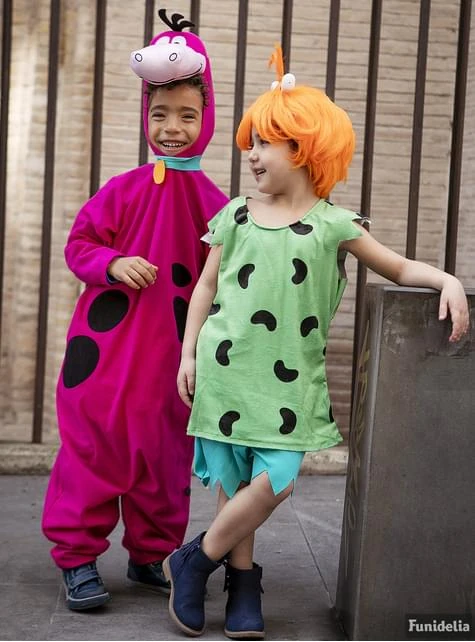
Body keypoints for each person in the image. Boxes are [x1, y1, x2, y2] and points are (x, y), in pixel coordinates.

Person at [163, 45, 470, 639]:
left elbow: (398, 266)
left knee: (276, 479)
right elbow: (205, 288)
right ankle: (242, 583)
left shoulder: (335, 224)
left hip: (289, 382)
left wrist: (446, 279)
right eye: (250, 143)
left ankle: (194, 561)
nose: (251, 154)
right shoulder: (236, 216)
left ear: (304, 149)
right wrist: (188, 353)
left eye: (264, 143)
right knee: (235, 481)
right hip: (228, 369)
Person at [41, 11, 228, 612]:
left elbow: (228, 280)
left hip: (171, 366)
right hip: (103, 363)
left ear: (208, 119)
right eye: (160, 114)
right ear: (145, 116)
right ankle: (76, 558)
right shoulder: (122, 190)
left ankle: (152, 553)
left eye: (187, 115)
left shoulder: (218, 207)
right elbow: (79, 245)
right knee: (93, 455)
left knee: (164, 460)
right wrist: (113, 263)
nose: (172, 128)